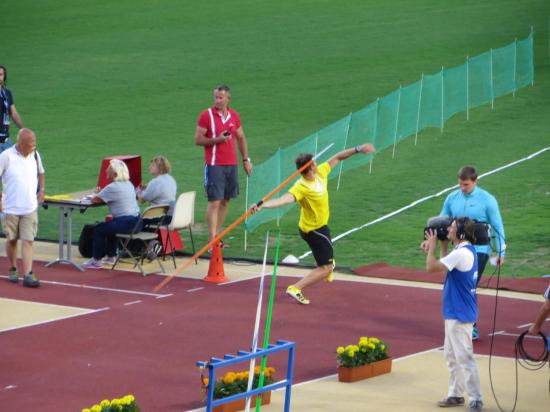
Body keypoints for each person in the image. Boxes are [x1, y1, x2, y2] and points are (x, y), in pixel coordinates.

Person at [251, 143, 375, 305]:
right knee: (327, 268)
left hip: (320, 226)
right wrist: (263, 205)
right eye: (314, 164)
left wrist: (358, 149)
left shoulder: (320, 172)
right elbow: (283, 200)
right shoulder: (301, 187)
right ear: (308, 170)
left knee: (326, 258)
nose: (317, 164)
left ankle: (326, 266)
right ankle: (296, 288)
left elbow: (338, 156)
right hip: (314, 230)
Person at [422, 218, 483, 411]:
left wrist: (431, 247)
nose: (448, 228)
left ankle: (476, 398)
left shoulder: (462, 253)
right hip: (456, 312)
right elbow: (445, 266)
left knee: (464, 357)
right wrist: (442, 245)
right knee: (452, 356)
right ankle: (456, 394)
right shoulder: (463, 251)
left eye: (452, 227)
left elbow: (431, 268)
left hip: (459, 313)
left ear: (462, 233)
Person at [440, 165, 506, 340]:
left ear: (475, 181)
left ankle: (471, 325)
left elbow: (498, 227)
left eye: (466, 185)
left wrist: (501, 252)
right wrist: (427, 239)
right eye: (460, 184)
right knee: (458, 285)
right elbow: (442, 220)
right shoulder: (452, 198)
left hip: (480, 250)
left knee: (469, 286)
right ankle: (461, 321)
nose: (463, 188)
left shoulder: (487, 200)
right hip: (459, 250)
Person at [195, 85, 252, 246]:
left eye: (221, 97)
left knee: (226, 201)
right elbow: (198, 139)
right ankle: (211, 240)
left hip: (231, 165)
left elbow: (241, 137)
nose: (217, 100)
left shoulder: (234, 116)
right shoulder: (206, 116)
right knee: (214, 202)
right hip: (214, 165)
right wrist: (217, 140)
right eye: (216, 97)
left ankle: (217, 236)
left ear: (228, 99)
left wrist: (245, 160)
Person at [0, 128, 45, 287]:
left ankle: (28, 274)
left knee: (28, 240)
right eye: (30, 144)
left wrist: (42, 190)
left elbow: (41, 173)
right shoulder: (6, 157)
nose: (33, 147)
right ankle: (13, 268)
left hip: (29, 207)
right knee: (12, 240)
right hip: (11, 207)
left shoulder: (35, 155)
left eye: (34, 144)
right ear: (21, 143)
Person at [82, 159, 140, 270]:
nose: (106, 170)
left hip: (126, 223)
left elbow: (95, 200)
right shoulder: (129, 184)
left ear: (115, 173)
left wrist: (97, 194)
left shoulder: (113, 187)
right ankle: (111, 256)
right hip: (137, 222)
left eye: (109, 168)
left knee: (99, 229)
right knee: (110, 226)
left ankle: (97, 260)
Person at [137, 155, 177, 223]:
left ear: (160, 168)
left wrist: (137, 191)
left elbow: (142, 200)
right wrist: (147, 187)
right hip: (172, 216)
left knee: (135, 222)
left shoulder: (156, 182)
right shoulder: (171, 179)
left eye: (153, 165)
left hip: (159, 217)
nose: (150, 167)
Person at [0, 65, 25, 154]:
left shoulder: (7, 93)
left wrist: (22, 129)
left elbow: (13, 113)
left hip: (6, 140)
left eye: (1, 75)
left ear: (4, 77)